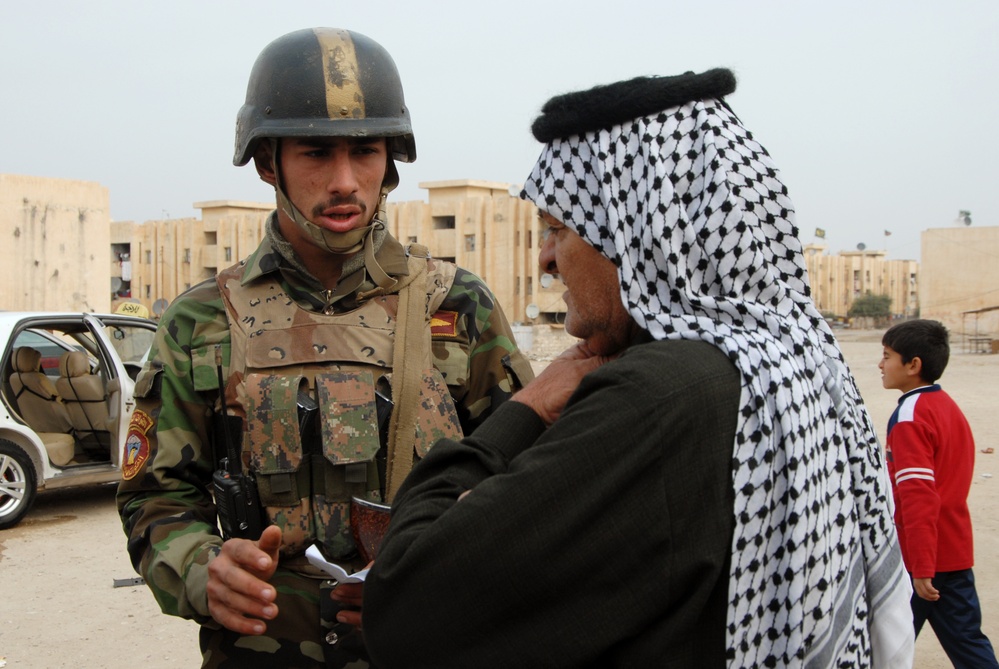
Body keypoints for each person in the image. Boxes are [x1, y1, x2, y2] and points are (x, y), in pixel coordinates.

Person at [363, 69, 915, 667]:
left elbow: (408, 602)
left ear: (637, 235)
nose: (545, 258)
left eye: (558, 229)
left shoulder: (656, 396)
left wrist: (525, 410)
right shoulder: (790, 366)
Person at [116, 27, 533, 669]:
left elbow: (527, 489)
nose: (345, 181)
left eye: (365, 152)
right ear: (266, 162)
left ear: (389, 163)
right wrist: (204, 570)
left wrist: (450, 578)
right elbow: (155, 497)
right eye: (316, 153)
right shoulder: (201, 319)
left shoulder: (458, 306)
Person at [880, 319, 999, 668]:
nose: (881, 364)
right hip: (952, 550)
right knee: (968, 644)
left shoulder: (910, 416)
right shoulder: (946, 405)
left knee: (881, 646)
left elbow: (918, 493)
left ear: (913, 365)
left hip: (921, 559)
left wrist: (920, 566)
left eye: (887, 356)